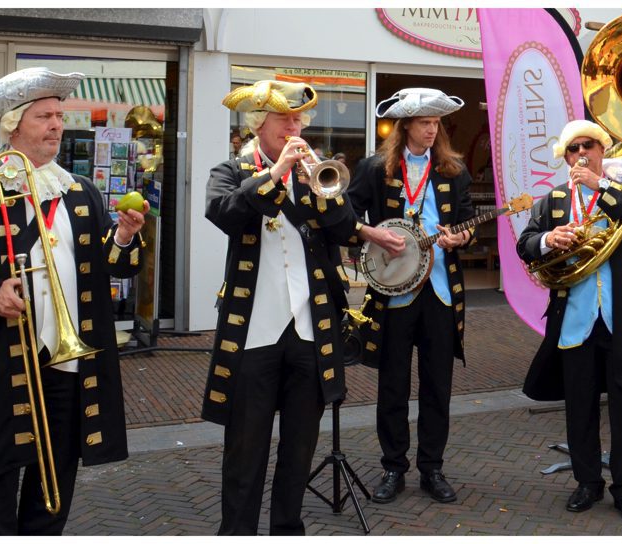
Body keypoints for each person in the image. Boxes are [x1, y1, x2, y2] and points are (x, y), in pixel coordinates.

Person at [0, 67, 149, 535]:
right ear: (14, 125)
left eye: (60, 115)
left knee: (57, 471)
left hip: (67, 361)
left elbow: (109, 266)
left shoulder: (80, 192)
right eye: (45, 116)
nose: (57, 125)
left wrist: (121, 238)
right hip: (2, 358)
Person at [204, 80, 354, 535]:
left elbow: (344, 230)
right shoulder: (231, 169)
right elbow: (224, 213)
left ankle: (287, 529)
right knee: (245, 450)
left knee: (299, 450)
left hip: (309, 332)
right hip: (254, 334)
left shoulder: (314, 174)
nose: (296, 127)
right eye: (286, 120)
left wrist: (321, 191)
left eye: (299, 120)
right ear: (259, 124)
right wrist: (272, 177)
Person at [516, 120, 622, 525]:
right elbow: (524, 243)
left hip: (621, 320)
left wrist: (601, 184)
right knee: (579, 406)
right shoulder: (554, 201)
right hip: (575, 321)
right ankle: (586, 483)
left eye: (589, 146)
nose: (580, 153)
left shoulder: (620, 190)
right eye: (573, 149)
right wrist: (549, 240)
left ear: (602, 151)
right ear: (565, 157)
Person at [347, 88, 475, 505]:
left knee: (438, 385)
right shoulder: (373, 169)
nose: (432, 129)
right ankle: (392, 467)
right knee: (393, 385)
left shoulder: (453, 170)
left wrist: (464, 236)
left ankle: (432, 469)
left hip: (439, 291)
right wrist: (370, 239)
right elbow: (348, 215)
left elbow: (468, 219)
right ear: (406, 127)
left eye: (436, 123)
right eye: (424, 122)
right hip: (394, 294)